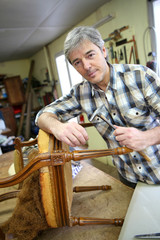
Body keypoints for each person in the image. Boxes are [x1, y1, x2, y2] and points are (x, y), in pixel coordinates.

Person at [35, 26, 160, 188]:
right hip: (129, 179)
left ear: (103, 51)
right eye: (77, 62)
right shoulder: (80, 93)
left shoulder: (141, 77)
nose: (86, 66)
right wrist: (58, 127)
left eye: (90, 55)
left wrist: (145, 138)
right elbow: (42, 116)